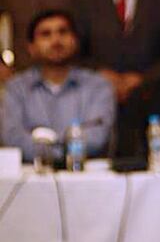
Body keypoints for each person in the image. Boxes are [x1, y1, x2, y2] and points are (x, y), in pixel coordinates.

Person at [1, 10, 115, 162]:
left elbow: (97, 137)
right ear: (31, 47)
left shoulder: (97, 85)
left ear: (75, 41)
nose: (56, 40)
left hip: (85, 177)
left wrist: (45, 143)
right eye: (46, 34)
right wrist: (66, 145)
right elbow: (12, 138)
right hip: (30, 180)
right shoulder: (15, 89)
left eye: (63, 32)